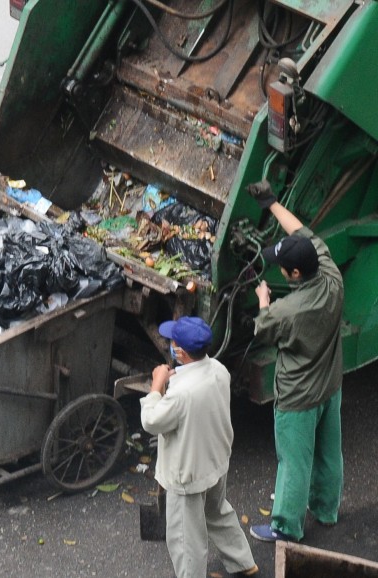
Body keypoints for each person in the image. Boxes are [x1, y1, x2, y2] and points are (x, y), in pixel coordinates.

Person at [246, 180, 344, 543]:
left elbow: (261, 327)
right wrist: (272, 202)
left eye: (281, 267)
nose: (280, 270)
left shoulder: (286, 312)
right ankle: (326, 510)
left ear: (295, 275)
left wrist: (262, 297)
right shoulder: (331, 274)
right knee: (329, 454)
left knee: (294, 463)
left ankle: (285, 527)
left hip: (297, 399)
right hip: (329, 386)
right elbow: (300, 231)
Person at [141, 316, 258, 578]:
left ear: (179, 351)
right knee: (217, 512)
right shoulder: (219, 369)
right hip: (216, 460)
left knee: (185, 539)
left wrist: (157, 385)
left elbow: (151, 420)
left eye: (172, 342)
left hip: (188, 475)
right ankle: (243, 562)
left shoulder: (181, 394)